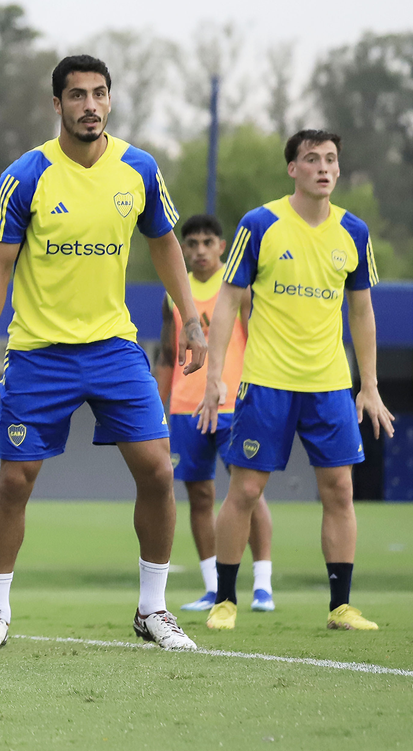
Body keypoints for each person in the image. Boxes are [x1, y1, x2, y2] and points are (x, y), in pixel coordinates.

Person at [0, 55, 205, 652]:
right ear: (57, 105)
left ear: (111, 101)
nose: (90, 105)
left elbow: (167, 247)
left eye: (99, 94)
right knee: (16, 481)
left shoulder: (139, 169)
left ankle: (153, 609)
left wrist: (192, 320)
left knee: (157, 470)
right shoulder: (25, 176)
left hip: (115, 349)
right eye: (77, 96)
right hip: (40, 354)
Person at [200, 129, 394, 633]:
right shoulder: (260, 224)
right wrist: (216, 378)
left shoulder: (354, 232)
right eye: (312, 159)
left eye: (331, 159)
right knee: (244, 490)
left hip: (329, 386)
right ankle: (225, 600)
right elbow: (225, 301)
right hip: (266, 383)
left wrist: (367, 385)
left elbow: (363, 313)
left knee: (340, 492)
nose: (324, 168)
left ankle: (340, 607)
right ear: (293, 169)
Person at [152, 214, 275, 613]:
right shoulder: (175, 292)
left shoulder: (236, 287)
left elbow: (256, 341)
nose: (200, 250)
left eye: (208, 242)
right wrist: (157, 406)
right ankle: (211, 587)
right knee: (199, 495)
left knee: (248, 492)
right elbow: (168, 354)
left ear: (222, 246)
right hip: (186, 409)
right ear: (184, 249)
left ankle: (263, 584)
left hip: (232, 404)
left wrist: (257, 395)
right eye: (192, 244)